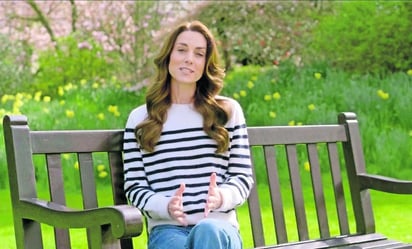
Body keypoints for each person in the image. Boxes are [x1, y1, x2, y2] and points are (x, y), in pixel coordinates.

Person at [123, 20, 254, 249]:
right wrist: (166, 206)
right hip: (167, 230)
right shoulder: (140, 118)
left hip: (219, 227)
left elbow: (242, 177)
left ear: (206, 63)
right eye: (181, 50)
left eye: (199, 54)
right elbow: (135, 186)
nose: (189, 59)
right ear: (168, 56)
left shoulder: (227, 112)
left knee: (207, 230)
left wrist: (221, 197)